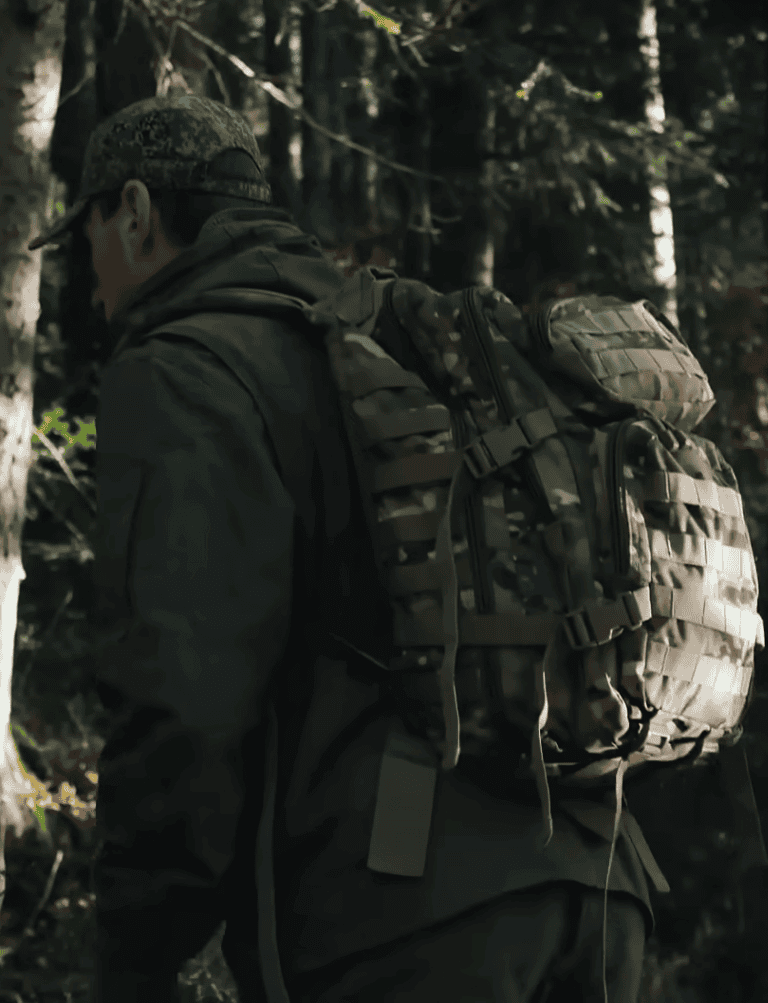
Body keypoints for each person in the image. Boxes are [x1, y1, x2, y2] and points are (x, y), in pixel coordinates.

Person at [29, 94, 670, 1003]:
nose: (90, 283)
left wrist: (137, 950)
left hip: (406, 917)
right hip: (597, 885)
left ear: (134, 213)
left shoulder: (186, 368)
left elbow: (181, 690)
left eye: (88, 237)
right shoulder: (387, 328)